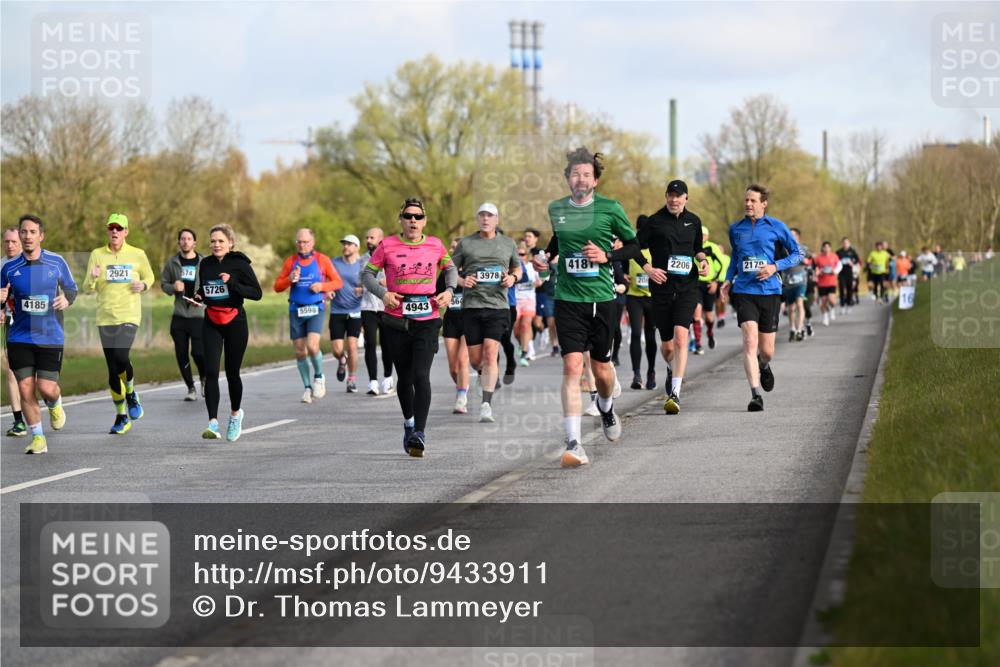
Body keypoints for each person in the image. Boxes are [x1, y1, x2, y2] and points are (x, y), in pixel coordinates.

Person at [534, 147, 637, 467]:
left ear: (595, 180)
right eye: (575, 173)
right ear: (567, 178)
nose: (580, 179)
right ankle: (574, 443)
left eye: (586, 174)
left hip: (602, 299)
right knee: (572, 367)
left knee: (602, 370)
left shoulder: (610, 209)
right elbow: (559, 239)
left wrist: (607, 257)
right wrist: (545, 258)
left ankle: (606, 407)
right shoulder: (556, 208)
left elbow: (634, 245)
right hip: (567, 299)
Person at [361, 198, 456, 457]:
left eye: (417, 216)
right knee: (404, 378)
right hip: (395, 320)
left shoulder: (435, 244)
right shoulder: (387, 245)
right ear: (401, 219)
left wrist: (449, 291)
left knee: (420, 375)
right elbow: (366, 275)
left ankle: (420, 434)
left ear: (424, 221)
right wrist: (383, 294)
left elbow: (451, 269)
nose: (413, 220)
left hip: (427, 318)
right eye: (408, 216)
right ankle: (409, 423)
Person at [0, 215, 77, 454]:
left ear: (41, 236)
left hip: (50, 336)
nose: (27, 236)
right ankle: (38, 437)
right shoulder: (9, 268)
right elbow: (3, 299)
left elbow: (72, 289)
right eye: (23, 232)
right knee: (24, 388)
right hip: (19, 336)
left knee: (46, 388)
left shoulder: (56, 262)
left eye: (32, 232)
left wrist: (66, 298)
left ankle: (54, 403)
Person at [720, 184, 801, 412]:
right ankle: (755, 394)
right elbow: (736, 255)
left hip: (770, 292)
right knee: (749, 342)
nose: (748, 204)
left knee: (766, 351)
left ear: (763, 203)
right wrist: (728, 279)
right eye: (746, 200)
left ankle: (763, 365)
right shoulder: (736, 228)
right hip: (744, 292)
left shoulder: (777, 227)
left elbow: (797, 254)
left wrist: (775, 266)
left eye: (753, 200)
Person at [633, 179, 711, 415]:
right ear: (666, 196)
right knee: (667, 347)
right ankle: (671, 368)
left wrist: (703, 260)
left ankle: (674, 393)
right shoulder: (654, 222)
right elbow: (634, 247)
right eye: (670, 195)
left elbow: (697, 248)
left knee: (680, 337)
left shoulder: (694, 221)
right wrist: (648, 268)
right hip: (662, 290)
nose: (674, 199)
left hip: (688, 287)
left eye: (678, 196)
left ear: (686, 198)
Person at [83, 213, 155, 435]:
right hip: (105, 317)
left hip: (129, 315)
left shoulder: (137, 254)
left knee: (121, 357)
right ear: (108, 231)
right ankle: (121, 416)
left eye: (119, 228)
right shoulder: (97, 254)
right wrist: (93, 276)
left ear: (126, 232)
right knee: (113, 371)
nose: (114, 231)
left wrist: (143, 285)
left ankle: (132, 393)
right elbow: (87, 287)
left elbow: (150, 278)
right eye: (111, 228)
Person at [450, 203, 521, 424]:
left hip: (498, 307)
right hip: (471, 307)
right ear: (477, 219)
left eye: (489, 215)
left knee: (491, 353)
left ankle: (486, 404)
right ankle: (485, 374)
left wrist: (513, 278)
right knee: (476, 360)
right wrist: (462, 280)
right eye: (481, 215)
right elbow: (449, 270)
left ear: (497, 220)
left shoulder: (508, 244)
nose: (485, 219)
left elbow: (517, 268)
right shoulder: (466, 243)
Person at [195, 224, 263, 441]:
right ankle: (213, 423)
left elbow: (256, 293)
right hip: (212, 321)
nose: (216, 245)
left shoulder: (240, 263)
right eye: (213, 241)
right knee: (211, 371)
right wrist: (198, 297)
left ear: (230, 243)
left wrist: (232, 282)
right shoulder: (205, 264)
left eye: (221, 241)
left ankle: (235, 415)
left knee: (232, 372)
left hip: (235, 321)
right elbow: (206, 290)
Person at [273, 228, 342, 403]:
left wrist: (322, 286)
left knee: (312, 346)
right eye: (299, 242)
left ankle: (319, 377)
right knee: (299, 351)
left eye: (306, 242)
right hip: (296, 309)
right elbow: (277, 286)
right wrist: (289, 279)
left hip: (315, 308)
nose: (302, 245)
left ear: (313, 243)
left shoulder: (322, 260)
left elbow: (337, 282)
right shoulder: (291, 261)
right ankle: (307, 387)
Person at [160, 228, 206, 401]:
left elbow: (210, 285)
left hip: (198, 314)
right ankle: (190, 388)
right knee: (181, 353)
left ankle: (203, 378)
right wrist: (173, 287)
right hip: (179, 315)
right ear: (179, 242)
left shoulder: (203, 262)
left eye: (189, 239)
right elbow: (164, 284)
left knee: (199, 353)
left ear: (194, 242)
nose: (186, 241)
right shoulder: (172, 263)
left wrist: (201, 298)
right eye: (183, 239)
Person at [360, 227, 395, 396]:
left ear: (381, 239)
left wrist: (386, 281)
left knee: (387, 344)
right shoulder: (363, 260)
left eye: (372, 237)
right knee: (370, 343)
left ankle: (388, 378)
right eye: (367, 237)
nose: (368, 240)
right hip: (368, 307)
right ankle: (372, 381)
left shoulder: (390, 256)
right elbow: (363, 279)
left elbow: (397, 278)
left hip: (386, 306)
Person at [624, 219, 657, 389]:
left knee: (650, 336)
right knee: (636, 333)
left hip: (652, 298)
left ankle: (651, 372)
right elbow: (621, 265)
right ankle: (636, 374)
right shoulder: (632, 249)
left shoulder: (655, 249)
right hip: (634, 296)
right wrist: (623, 275)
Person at [330, 234, 365, 393]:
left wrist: (362, 289)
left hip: (355, 311)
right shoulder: (334, 263)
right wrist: (328, 290)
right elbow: (327, 279)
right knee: (337, 349)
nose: (345, 247)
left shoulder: (362, 264)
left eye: (349, 244)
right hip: (337, 310)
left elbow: (371, 283)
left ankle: (351, 378)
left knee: (352, 346)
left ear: (357, 247)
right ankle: (342, 359)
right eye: (344, 244)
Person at [440, 238, 470, 413]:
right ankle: (463, 387)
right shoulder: (445, 271)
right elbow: (435, 290)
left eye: (455, 247)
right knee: (453, 367)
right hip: (451, 319)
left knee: (462, 360)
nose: (452, 250)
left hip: (469, 319)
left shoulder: (472, 269)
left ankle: (461, 397)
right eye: (451, 247)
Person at [3, 227, 27, 437]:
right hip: (12, 322)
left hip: (35, 323)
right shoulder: (1, 266)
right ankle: (19, 421)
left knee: (35, 374)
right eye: (6, 242)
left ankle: (53, 399)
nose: (9, 245)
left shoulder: (32, 262)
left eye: (13, 241)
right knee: (11, 371)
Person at [692, 225, 725, 353]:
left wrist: (716, 282)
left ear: (707, 236)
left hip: (709, 284)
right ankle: (698, 344)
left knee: (709, 317)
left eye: (704, 235)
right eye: (700, 235)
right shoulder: (692, 246)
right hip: (696, 283)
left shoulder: (712, 247)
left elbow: (721, 266)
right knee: (697, 312)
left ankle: (710, 333)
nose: (702, 237)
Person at [513, 241, 541, 366]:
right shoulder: (513, 267)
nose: (520, 257)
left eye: (522, 254)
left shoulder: (531, 266)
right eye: (518, 254)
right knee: (516, 329)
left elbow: (542, 278)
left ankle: (525, 352)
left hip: (529, 300)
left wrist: (537, 283)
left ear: (527, 255)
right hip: (515, 300)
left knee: (526, 325)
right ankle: (521, 344)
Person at [781, 228, 809, 340]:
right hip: (788, 281)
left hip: (801, 280)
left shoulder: (803, 248)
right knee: (791, 308)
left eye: (793, 234)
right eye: (789, 234)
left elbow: (811, 260)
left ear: (798, 236)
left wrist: (807, 261)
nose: (790, 236)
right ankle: (792, 329)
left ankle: (799, 329)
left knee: (800, 304)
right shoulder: (783, 248)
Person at [813, 241, 841, 326]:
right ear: (822, 248)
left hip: (832, 282)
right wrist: (818, 272)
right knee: (823, 302)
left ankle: (832, 308)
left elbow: (839, 266)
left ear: (830, 248)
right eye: (825, 247)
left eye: (828, 247)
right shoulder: (818, 258)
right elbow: (815, 268)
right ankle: (825, 316)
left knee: (832, 300)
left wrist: (835, 271)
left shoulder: (834, 256)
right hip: (822, 283)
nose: (826, 249)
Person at [836, 237, 861, 314]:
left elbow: (857, 260)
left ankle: (849, 305)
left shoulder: (852, 251)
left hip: (850, 272)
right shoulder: (838, 252)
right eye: (844, 243)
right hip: (841, 273)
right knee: (842, 289)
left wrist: (852, 263)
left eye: (847, 243)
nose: (845, 244)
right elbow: (835, 261)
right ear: (842, 243)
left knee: (849, 289)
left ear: (849, 243)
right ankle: (842, 306)